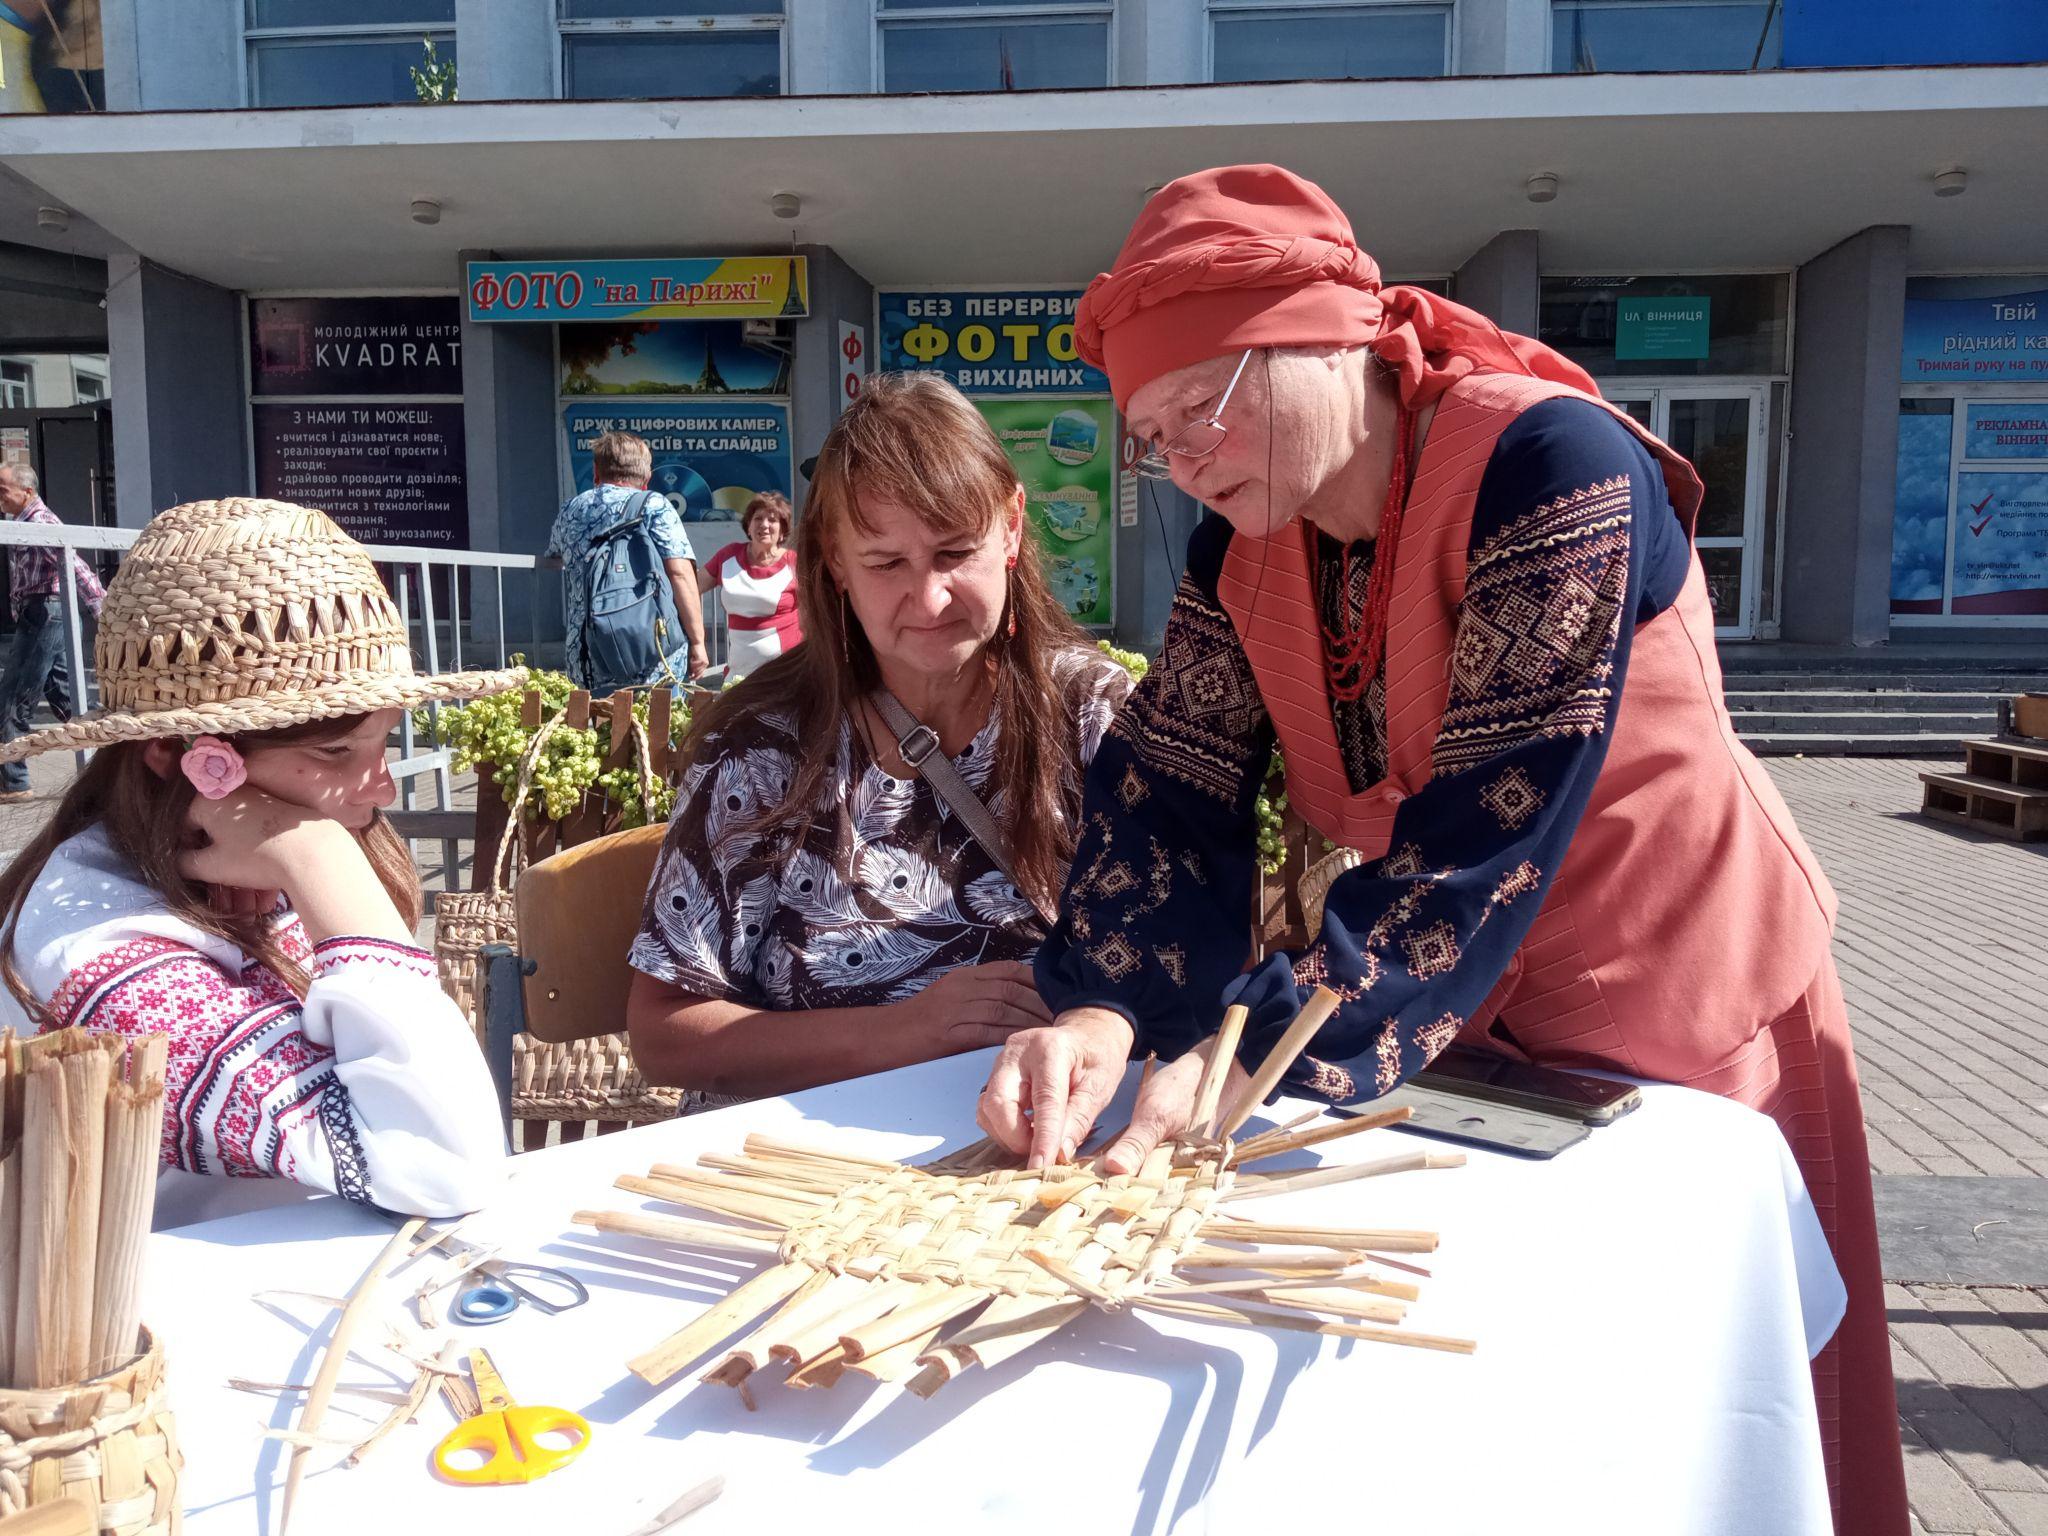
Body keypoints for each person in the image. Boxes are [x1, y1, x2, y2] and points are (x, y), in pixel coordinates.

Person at [975, 166, 1905, 1535]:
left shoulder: (1550, 465)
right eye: (1152, 438)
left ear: (1319, 338)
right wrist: (1111, 1005)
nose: (1181, 464)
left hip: (1672, 979)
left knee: (1691, 1405)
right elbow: (1172, 789)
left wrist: (1241, 1042)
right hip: (1456, 1009)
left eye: (1198, 412)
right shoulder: (1247, 549)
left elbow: (1488, 824)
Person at [0, 497, 521, 1227]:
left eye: (383, 745)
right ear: (176, 756)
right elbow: (449, 1168)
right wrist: (321, 860)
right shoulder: (94, 949)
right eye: (335, 752)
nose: (378, 789)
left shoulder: (248, 873)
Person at [626, 373, 1131, 1099]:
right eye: (886, 562)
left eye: (956, 553)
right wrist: (906, 1034)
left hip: (1034, 1162)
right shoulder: (761, 746)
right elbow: (664, 1033)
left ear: (1013, 527)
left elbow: (1177, 953)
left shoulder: (1093, 716)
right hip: (807, 1177)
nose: (927, 598)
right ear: (834, 559)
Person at [545, 429, 709, 690]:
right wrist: (698, 641)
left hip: (589, 654)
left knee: (595, 727)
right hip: (651, 652)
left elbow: (554, 555)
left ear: (597, 472)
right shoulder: (655, 505)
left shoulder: (571, 509)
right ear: (647, 477)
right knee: (658, 726)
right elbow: (679, 573)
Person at [0, 462, 106, 802]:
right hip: (46, 614)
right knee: (67, 699)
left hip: (45, 613)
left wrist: (102, 609)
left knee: (13, 698)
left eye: (3, 490)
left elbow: (75, 565)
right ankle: (110, 765)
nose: (0, 496)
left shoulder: (40, 521)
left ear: (26, 492)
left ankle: (14, 782)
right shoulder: (22, 521)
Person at [697, 490, 803, 676]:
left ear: (782, 530)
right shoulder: (728, 556)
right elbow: (691, 588)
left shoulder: (795, 564)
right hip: (738, 670)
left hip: (784, 671)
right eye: (758, 519)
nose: (764, 525)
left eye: (772, 520)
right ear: (748, 526)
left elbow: (816, 614)